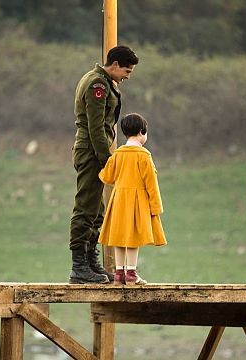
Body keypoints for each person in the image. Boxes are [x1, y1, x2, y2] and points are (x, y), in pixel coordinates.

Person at [69, 46, 139, 284]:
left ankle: (90, 262)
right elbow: (96, 127)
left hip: (94, 150)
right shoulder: (97, 85)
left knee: (97, 210)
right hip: (91, 151)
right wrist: (106, 160)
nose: (128, 76)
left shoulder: (102, 81)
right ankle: (79, 266)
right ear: (115, 64)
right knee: (85, 208)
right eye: (127, 71)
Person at [98, 113, 167, 285]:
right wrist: (156, 207)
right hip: (136, 202)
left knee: (119, 237)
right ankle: (131, 273)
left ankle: (119, 274)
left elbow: (106, 177)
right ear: (142, 132)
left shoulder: (118, 154)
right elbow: (151, 183)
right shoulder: (144, 155)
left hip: (119, 200)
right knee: (133, 238)